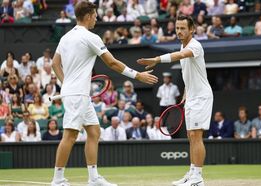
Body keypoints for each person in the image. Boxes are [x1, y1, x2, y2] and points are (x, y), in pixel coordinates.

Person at [50, 1, 157, 186]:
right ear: (89, 15)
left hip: (75, 92)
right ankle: (57, 180)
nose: (97, 18)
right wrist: (137, 75)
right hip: (77, 95)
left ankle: (93, 178)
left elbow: (54, 64)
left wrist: (66, 83)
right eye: (95, 15)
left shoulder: (65, 37)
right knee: (70, 135)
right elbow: (112, 63)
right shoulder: (91, 37)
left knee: (94, 132)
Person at [137, 15, 213, 186]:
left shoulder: (195, 46)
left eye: (183, 28)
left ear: (192, 29)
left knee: (196, 135)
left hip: (202, 97)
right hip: (192, 96)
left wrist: (156, 59)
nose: (179, 31)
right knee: (190, 135)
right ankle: (192, 172)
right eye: (177, 28)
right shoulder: (182, 44)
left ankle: (198, 178)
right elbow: (190, 76)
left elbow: (179, 55)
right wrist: (186, 94)